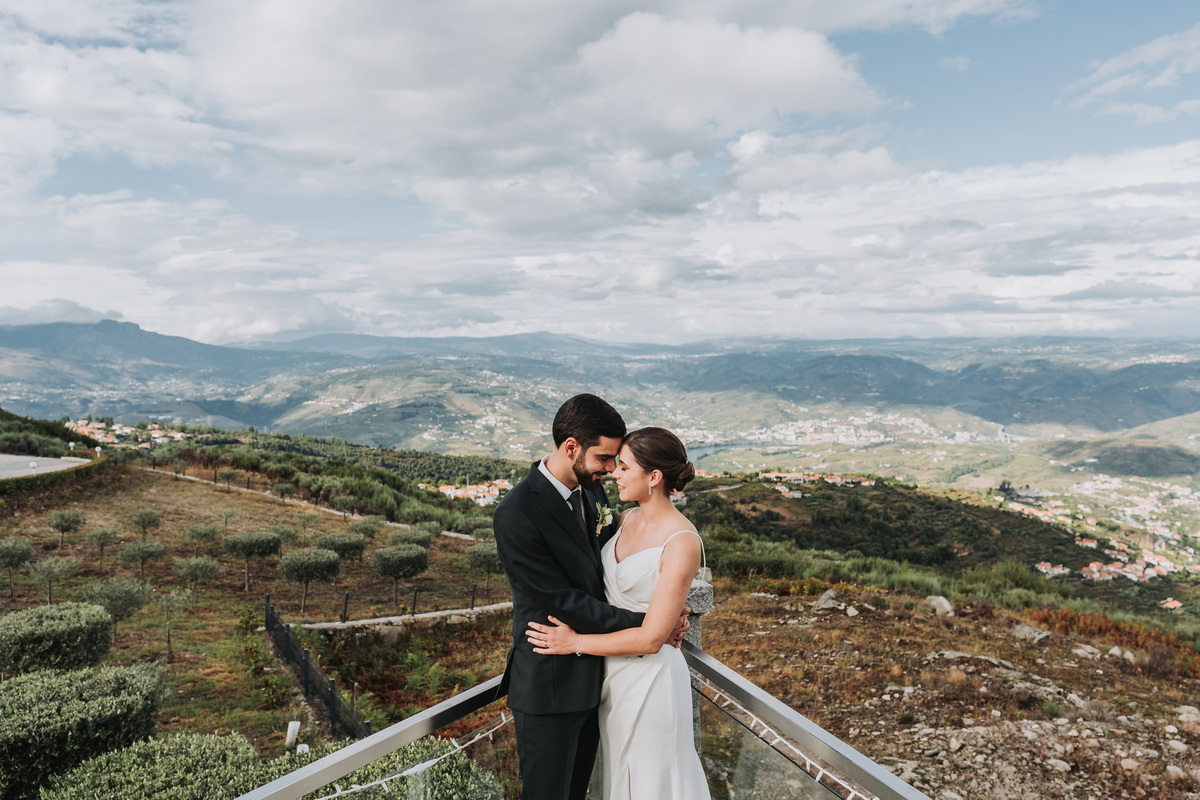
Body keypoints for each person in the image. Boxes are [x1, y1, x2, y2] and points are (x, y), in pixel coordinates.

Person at [493, 395, 689, 800]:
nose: (610, 469)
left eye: (618, 461)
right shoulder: (517, 513)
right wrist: (652, 623)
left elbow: (610, 568)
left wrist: (666, 603)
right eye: (604, 458)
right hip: (550, 683)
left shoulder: (591, 493)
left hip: (603, 680)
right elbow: (561, 600)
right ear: (571, 448)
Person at [526, 426, 711, 800]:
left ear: (654, 477)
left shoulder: (683, 542)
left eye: (624, 467)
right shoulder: (624, 518)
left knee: (651, 778)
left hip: (651, 679)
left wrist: (574, 642)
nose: (614, 473)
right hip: (611, 676)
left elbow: (652, 637)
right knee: (619, 775)